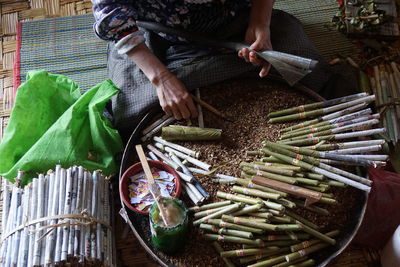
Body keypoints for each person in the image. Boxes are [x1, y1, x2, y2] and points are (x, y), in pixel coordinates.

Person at [92, 0, 357, 136]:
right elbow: (112, 13)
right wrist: (161, 78)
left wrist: (259, 24)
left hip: (236, 20)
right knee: (129, 111)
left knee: (304, 63)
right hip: (160, 35)